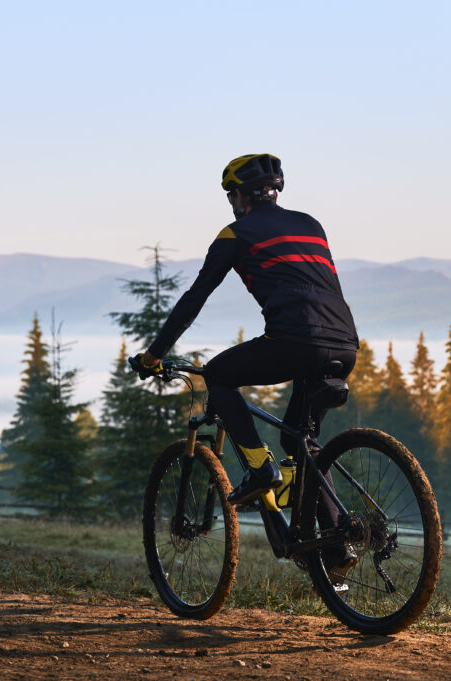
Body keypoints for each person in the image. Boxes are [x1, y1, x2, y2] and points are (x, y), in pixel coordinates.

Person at [137, 153, 359, 573]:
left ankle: (260, 470)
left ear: (240, 194)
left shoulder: (234, 234)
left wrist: (154, 355)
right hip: (345, 343)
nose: (230, 203)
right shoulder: (312, 225)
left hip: (295, 341)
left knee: (218, 374)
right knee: (301, 442)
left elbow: (194, 300)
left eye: (229, 194)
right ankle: (335, 546)